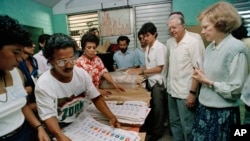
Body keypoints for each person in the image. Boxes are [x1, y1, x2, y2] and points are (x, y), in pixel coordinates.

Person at [35, 33, 120, 141]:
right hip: (61, 127)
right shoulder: (44, 84)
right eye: (62, 61)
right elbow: (48, 116)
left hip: (82, 122)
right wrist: (60, 136)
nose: (69, 65)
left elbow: (95, 97)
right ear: (51, 60)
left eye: (72, 59)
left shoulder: (81, 74)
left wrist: (111, 116)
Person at [191, 2, 248, 141]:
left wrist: (208, 81)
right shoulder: (210, 47)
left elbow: (235, 90)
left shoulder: (236, 49)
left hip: (223, 114)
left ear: (221, 25)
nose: (202, 31)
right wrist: (201, 75)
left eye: (205, 27)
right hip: (204, 109)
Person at [0, 15, 50, 141]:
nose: (20, 58)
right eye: (15, 52)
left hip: (26, 131)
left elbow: (22, 105)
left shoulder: (16, 73)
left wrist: (39, 127)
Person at [166, 11, 205, 141]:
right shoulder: (170, 42)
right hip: (171, 91)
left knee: (188, 127)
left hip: (185, 93)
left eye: (174, 27)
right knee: (175, 124)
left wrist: (192, 93)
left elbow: (198, 69)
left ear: (183, 26)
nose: (171, 30)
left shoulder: (193, 42)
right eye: (169, 27)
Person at [128, 22, 167, 141]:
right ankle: (152, 129)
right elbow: (148, 65)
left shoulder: (159, 47)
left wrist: (143, 72)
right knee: (151, 108)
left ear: (154, 34)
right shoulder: (148, 48)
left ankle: (158, 133)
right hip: (151, 81)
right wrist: (136, 70)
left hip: (158, 83)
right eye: (144, 36)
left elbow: (159, 68)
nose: (145, 38)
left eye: (148, 35)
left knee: (158, 110)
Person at [18, 43, 39, 111]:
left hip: (37, 100)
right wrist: (28, 103)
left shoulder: (34, 60)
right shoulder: (16, 63)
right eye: (29, 43)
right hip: (23, 105)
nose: (34, 45)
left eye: (33, 43)